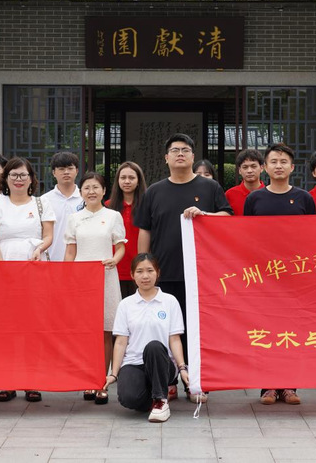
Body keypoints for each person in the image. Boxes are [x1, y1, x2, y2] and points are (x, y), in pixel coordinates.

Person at [136, 133, 232, 403]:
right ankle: (168, 380)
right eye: (175, 150)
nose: (180, 154)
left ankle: (197, 382)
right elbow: (145, 230)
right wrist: (144, 267)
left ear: (193, 156)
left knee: (197, 329)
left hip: (201, 274)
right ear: (166, 158)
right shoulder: (154, 191)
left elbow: (227, 217)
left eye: (185, 150)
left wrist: (205, 215)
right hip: (164, 273)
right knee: (164, 328)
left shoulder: (210, 188)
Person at [244, 143, 316, 405]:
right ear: (265, 167)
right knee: (266, 330)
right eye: (273, 161)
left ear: (292, 167)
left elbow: (313, 237)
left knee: (292, 330)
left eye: (283, 161)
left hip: (295, 277)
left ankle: (289, 386)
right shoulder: (254, 199)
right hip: (264, 276)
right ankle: (268, 387)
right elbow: (245, 237)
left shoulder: (304, 199)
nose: (278, 166)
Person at [0, 156, 55, 403]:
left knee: (32, 326)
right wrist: (1, 265)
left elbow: (49, 236)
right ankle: (7, 381)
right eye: (13, 175)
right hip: (4, 270)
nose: (18, 179)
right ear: (6, 179)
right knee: (6, 327)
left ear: (31, 178)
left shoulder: (42, 204)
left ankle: (31, 381)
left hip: (34, 268)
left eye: (23, 175)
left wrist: (39, 249)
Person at [65, 172, 126, 405]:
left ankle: (102, 380)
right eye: (86, 188)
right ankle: (87, 378)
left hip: (106, 276)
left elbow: (120, 246)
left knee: (105, 330)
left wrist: (114, 260)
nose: (91, 192)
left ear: (104, 191)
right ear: (81, 192)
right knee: (84, 331)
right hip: (81, 281)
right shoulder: (74, 218)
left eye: (96, 187)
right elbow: (70, 251)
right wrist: (67, 277)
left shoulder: (112, 216)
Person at [104, 253, 188, 423]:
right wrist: (114, 374)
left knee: (153, 347)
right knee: (128, 398)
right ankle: (158, 393)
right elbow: (120, 342)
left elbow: (174, 339)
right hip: (134, 362)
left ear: (158, 273)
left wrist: (182, 368)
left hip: (162, 363)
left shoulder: (170, 301)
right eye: (140, 271)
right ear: (132, 275)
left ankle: (160, 401)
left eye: (150, 270)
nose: (145, 276)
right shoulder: (126, 305)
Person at [106, 161, 147, 299]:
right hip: (114, 267)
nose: (127, 181)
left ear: (138, 181)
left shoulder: (147, 206)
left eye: (131, 178)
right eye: (123, 178)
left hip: (141, 267)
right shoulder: (108, 206)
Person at [46, 151, 83, 262]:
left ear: (77, 171)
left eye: (70, 168)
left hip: (81, 260)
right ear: (54, 172)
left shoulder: (85, 199)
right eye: (61, 169)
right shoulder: (44, 200)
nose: (66, 172)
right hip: (52, 259)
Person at [224, 149, 265, 216]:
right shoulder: (229, 195)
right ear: (239, 170)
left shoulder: (269, 194)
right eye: (245, 167)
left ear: (261, 168)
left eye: (253, 166)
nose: (249, 171)